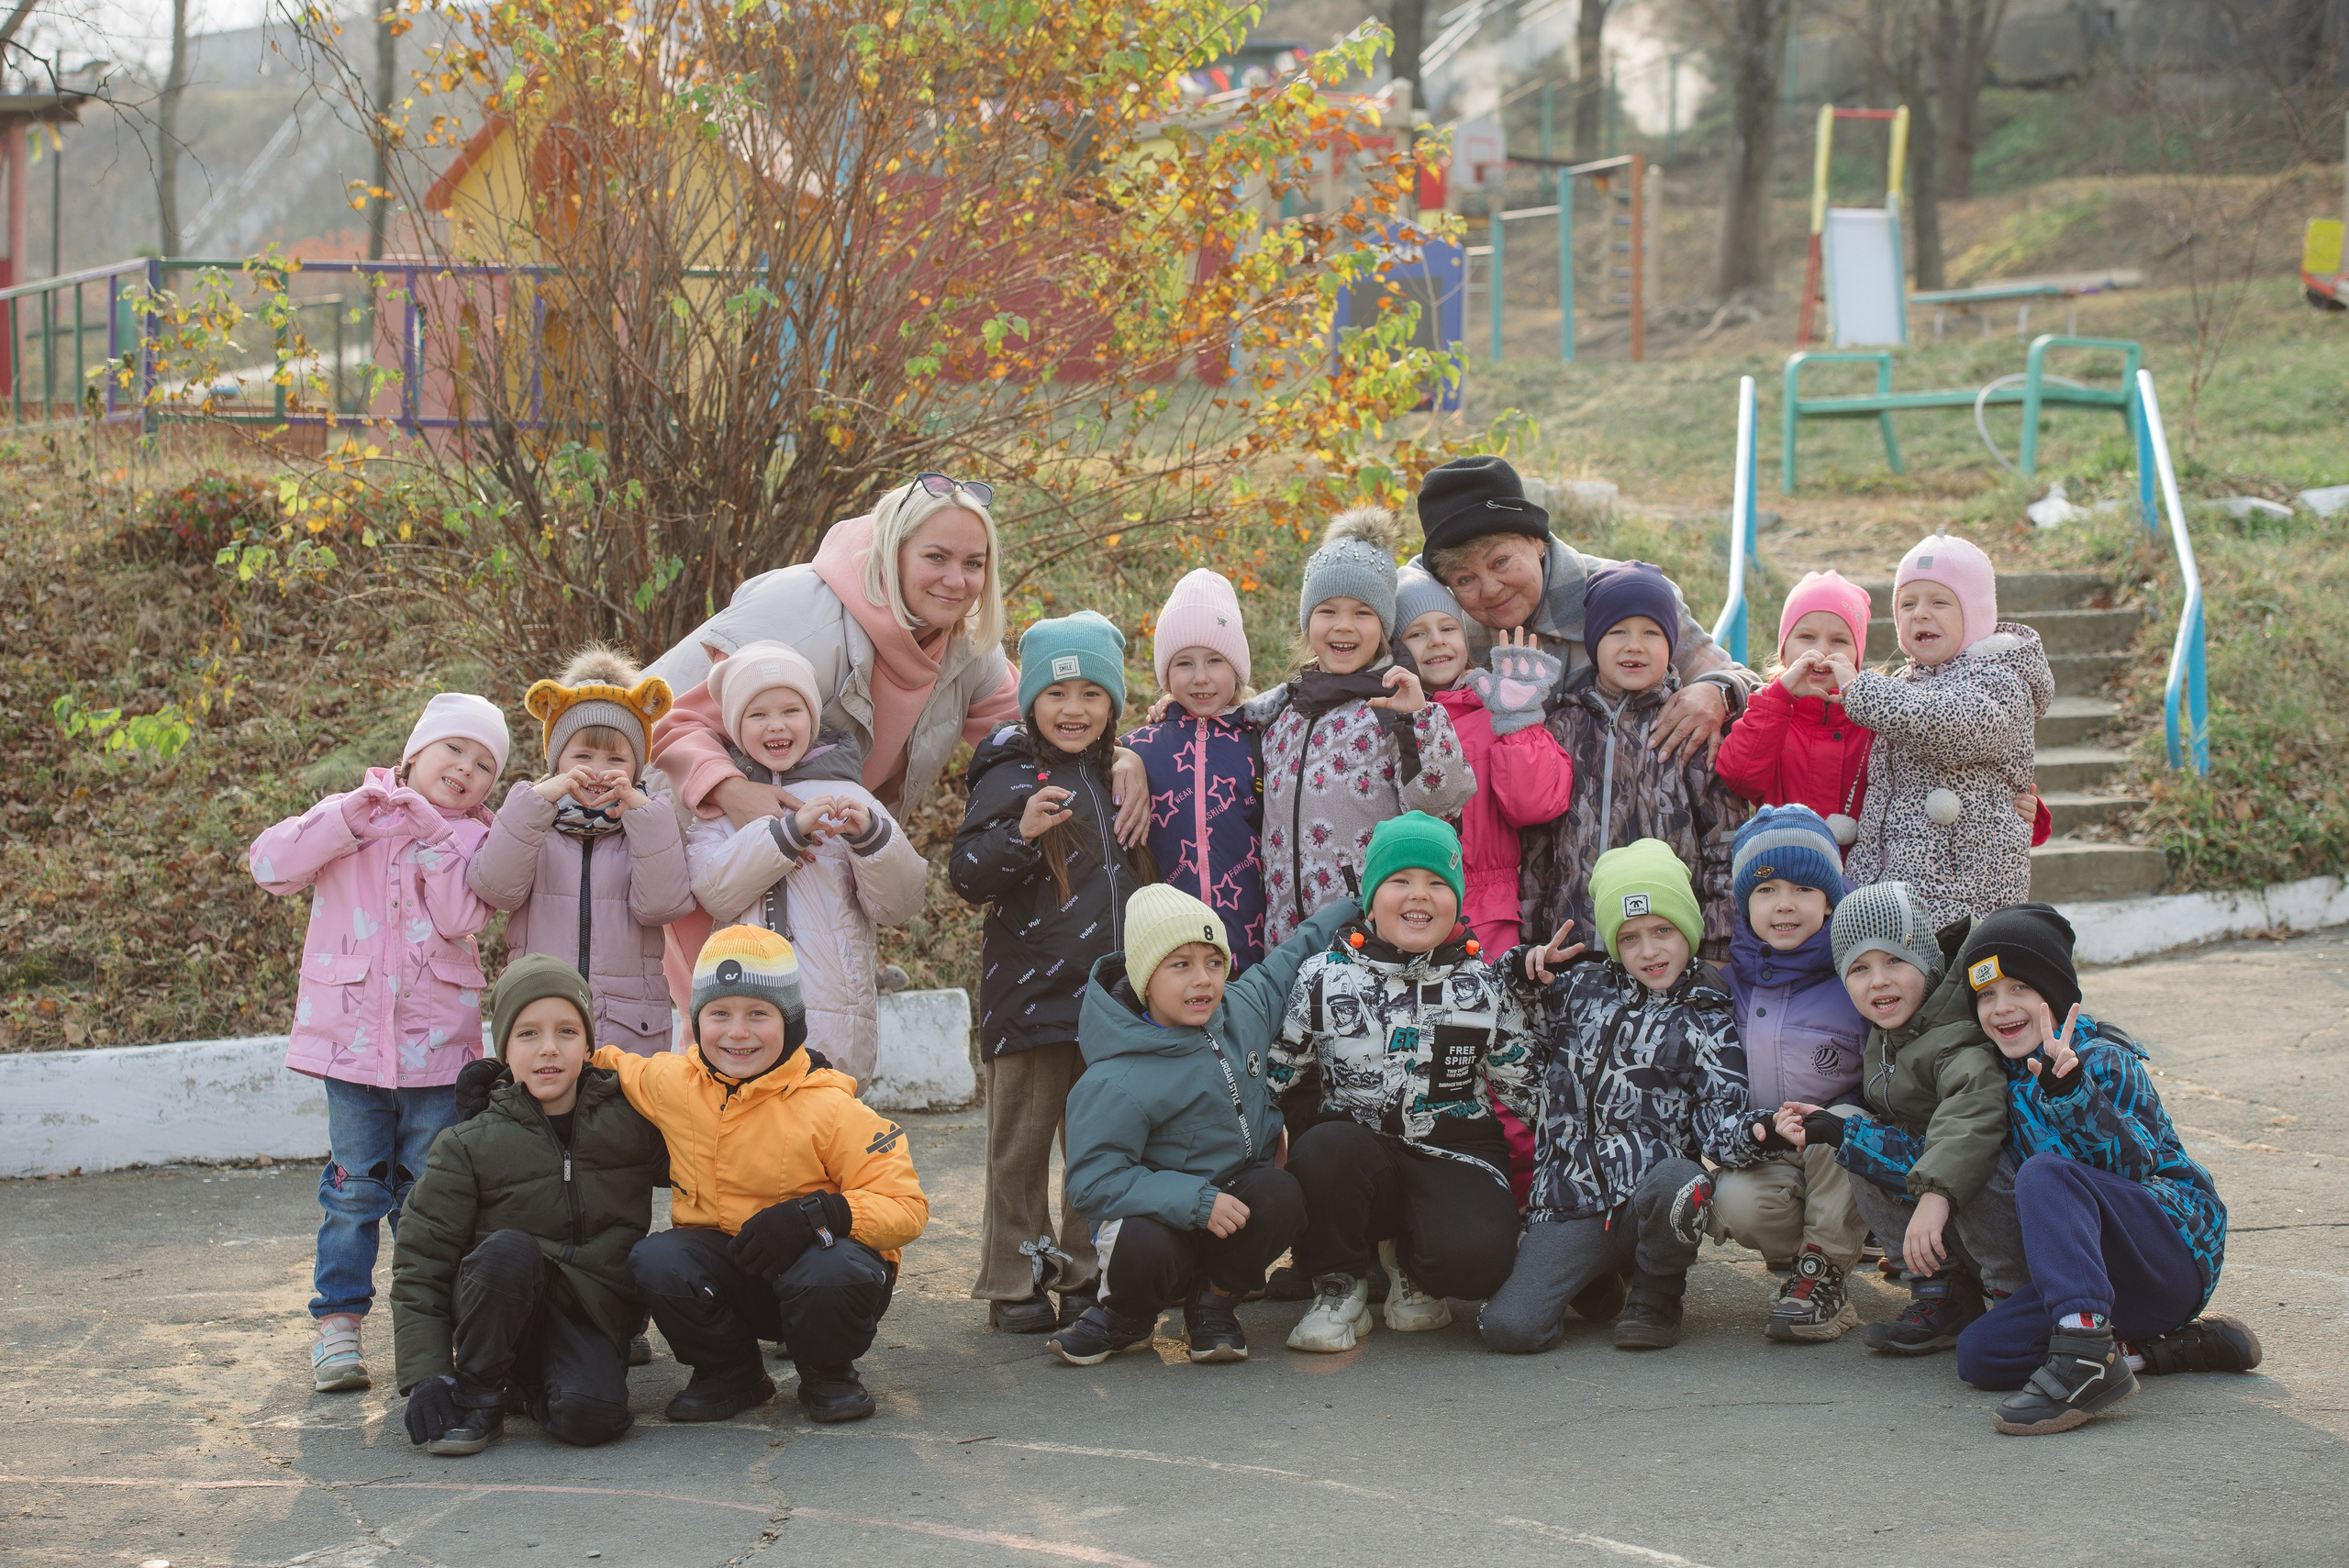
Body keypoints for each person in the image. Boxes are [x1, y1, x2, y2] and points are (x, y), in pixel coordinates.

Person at [644, 475, 1150, 1007]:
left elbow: (1040, 723)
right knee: (715, 1010)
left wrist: (1120, 755)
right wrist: (729, 792)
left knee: (792, 1016)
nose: (956, 580)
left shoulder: (964, 648)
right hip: (691, 822)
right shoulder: (802, 620)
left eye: (973, 563)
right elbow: (667, 722)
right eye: (936, 557)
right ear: (893, 554)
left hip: (803, 841)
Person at [250, 691, 507, 1395]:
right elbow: (269, 867)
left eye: (485, 764)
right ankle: (338, 1324)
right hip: (353, 1048)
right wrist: (338, 820)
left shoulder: (475, 837)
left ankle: (433, 1321)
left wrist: (433, 836)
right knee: (352, 1188)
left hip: (436, 1052)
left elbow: (461, 912)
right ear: (415, 751)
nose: (465, 770)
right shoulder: (352, 815)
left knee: (432, 1193)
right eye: (453, 749)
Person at [1948, 906, 2261, 1434]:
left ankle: (2086, 1353)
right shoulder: (1999, 1079)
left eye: (2019, 988)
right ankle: (2161, 1351)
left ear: (2055, 994)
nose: (2002, 1008)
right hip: (2100, 1282)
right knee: (1980, 1354)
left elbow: (2132, 1166)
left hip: (2171, 1248)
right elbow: (1949, 1157)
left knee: (2045, 1173)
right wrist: (1842, 1135)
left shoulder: (2100, 1059)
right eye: (1986, 995)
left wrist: (2069, 1092)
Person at [599, 926, 930, 1424]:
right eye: (719, 1014)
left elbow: (907, 1208)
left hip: (817, 1275)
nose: (737, 1032)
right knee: (657, 1257)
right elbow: (601, 1064)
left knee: (833, 1269)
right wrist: (503, 1076)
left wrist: (823, 1214)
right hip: (732, 1273)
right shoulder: (672, 1082)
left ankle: (829, 1371)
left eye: (758, 1013)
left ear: (790, 1021)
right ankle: (730, 1371)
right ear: (696, 1019)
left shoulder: (833, 1107)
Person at [1050, 885, 1361, 1366]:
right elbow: (1094, 1182)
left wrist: (1363, 901)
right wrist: (1196, 1202)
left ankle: (1214, 1300)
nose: (1203, 980)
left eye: (1214, 962)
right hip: (1156, 1220)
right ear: (1145, 979)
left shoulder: (1243, 1008)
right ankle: (1127, 1315)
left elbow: (1297, 950)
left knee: (1281, 1194)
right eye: (1181, 965)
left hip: (1232, 1200)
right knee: (1143, 1241)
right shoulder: (1114, 1077)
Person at [1480, 840, 1768, 1356]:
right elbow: (1500, 1012)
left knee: (1681, 1179)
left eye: (1663, 930)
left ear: (1688, 928)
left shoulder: (1710, 1015)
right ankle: (1594, 1279)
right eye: (1629, 937)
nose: (1650, 951)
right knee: (1511, 1330)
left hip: (1648, 1199)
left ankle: (1658, 1292)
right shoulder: (1577, 988)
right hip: (1570, 1199)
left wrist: (1759, 1132)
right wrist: (1521, 970)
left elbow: (1719, 1127)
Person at [950, 612, 1154, 1334]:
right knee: (1020, 1146)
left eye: (1093, 694)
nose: (1075, 709)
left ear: (1113, 704)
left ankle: (1084, 1270)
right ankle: (1015, 1279)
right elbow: (967, 874)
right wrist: (1021, 834)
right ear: (1031, 699)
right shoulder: (1010, 769)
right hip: (1028, 993)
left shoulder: (1116, 772)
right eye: (1058, 693)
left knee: (1097, 1140)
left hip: (1107, 994)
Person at [1273, 813, 1537, 1353]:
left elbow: (1526, 1088)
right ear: (1370, 899)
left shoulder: (1482, 984)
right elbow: (1278, 1076)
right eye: (1400, 881)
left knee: (1479, 1264)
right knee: (1322, 1149)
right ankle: (1339, 1283)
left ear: (1458, 901)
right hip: (1357, 1148)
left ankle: (1413, 1265)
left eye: (1438, 883)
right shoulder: (1323, 976)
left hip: (1454, 1150)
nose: (1420, 895)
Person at [389, 956, 669, 1456]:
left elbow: (715, 1145)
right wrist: (427, 1375)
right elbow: (419, 1265)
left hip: (589, 1312)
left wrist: (775, 1079)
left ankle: (533, 1389)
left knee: (592, 1419)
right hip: (495, 1310)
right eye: (527, 1034)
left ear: (589, 1045)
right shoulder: (467, 1143)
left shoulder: (632, 1123)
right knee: (508, 1252)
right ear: (503, 1050)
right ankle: (479, 1394)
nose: (548, 1049)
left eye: (566, 1031)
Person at [1776, 882, 2026, 1355]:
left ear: (1928, 964)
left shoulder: (1956, 1036)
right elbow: (1898, 1129)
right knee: (1857, 1141)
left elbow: (1971, 1120)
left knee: (1977, 1164)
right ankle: (1943, 1294)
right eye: (1859, 968)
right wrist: (1833, 1126)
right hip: (1948, 1203)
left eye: (1895, 960)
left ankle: (2016, 1296)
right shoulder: (1891, 1033)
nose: (1879, 981)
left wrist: (1935, 1196)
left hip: (1999, 1209)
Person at [680, 640, 930, 1083]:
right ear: (736, 727)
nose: (776, 726)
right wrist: (785, 834)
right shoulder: (725, 806)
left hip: (833, 1016)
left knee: (822, 1137)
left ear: (812, 718)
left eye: (790, 711)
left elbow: (900, 903)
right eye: (758, 715)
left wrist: (871, 837)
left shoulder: (852, 798)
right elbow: (714, 892)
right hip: (742, 1010)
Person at [1400, 453, 1756, 763]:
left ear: (1536, 540)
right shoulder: (1450, 628)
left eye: (1501, 562)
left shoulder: (1627, 596)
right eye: (1465, 579)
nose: (1490, 590)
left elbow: (1743, 681)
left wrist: (1717, 693)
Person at [1396, 578, 1571, 1203]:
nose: (1435, 641)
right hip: (1407, 918)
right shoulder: (1387, 716)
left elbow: (1536, 801)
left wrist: (1519, 718)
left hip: (1488, 911)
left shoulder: (1489, 706)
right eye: (1416, 632)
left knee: (1503, 1067)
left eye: (1446, 627)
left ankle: (1530, 1208)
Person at [1252, 507, 1473, 949]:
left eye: (1363, 613)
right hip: (1282, 937)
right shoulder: (1280, 712)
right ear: (1307, 621)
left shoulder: (1394, 706)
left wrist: (1418, 723)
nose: (1344, 625)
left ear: (1385, 626)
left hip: (1363, 937)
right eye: (1327, 610)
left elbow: (1440, 807)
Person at [467, 648, 697, 1056]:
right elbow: (497, 889)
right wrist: (534, 806)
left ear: (636, 768)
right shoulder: (533, 818)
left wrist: (645, 819)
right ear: (557, 763)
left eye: (616, 758)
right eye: (582, 757)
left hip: (629, 1028)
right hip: (542, 1019)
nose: (597, 770)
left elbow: (661, 907)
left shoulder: (647, 825)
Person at [1519, 562, 1752, 962]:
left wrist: (1717, 945)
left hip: (1670, 952)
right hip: (1575, 950)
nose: (1635, 645)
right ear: (1593, 642)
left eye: (1651, 632)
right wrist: (1531, 942)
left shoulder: (1689, 725)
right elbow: (1536, 850)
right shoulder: (1562, 727)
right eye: (1617, 632)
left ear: (1671, 642)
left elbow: (1725, 845)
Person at [1706, 806, 1871, 1343]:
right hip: (1770, 1149)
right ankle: (1799, 1259)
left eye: (1803, 889)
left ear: (1830, 900)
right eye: (1766, 890)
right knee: (1734, 1202)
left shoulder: (1856, 980)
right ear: (1743, 903)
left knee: (1840, 1122)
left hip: (1842, 1150)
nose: (1784, 905)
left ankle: (1825, 1272)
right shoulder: (1727, 985)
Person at [1839, 532, 2054, 925]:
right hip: (1894, 884)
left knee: (1953, 983)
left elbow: (1953, 727)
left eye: (1939, 602)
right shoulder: (1903, 685)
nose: (1920, 614)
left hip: (1963, 891)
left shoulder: (2001, 678)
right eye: (1907, 603)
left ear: (1974, 614)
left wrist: (1862, 689)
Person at [1123, 569, 1268, 969]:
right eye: (1184, 662)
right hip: (1165, 953)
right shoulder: (1138, 750)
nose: (1201, 678)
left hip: (1249, 949)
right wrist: (1118, 756)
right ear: (1166, 673)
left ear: (1237, 667)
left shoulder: (1263, 742)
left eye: (1216, 661)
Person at [1714, 572, 1876, 842]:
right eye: (1807, 636)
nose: (1822, 651)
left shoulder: (1875, 717)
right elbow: (1739, 778)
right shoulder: (1769, 709)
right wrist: (1778, 699)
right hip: (1784, 872)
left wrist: (1864, 699)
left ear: (1857, 656)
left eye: (1839, 641)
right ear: (1784, 649)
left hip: (1859, 874)